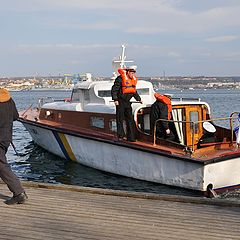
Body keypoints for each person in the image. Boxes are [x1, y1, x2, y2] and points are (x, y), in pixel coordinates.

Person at [0, 88, 28, 205]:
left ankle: (19, 193)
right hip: (6, 138)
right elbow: (15, 116)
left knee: (1, 166)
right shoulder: (9, 99)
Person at [111, 66, 142, 142]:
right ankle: (121, 135)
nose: (133, 74)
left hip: (127, 102)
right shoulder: (120, 78)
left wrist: (139, 99)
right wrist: (115, 99)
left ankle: (131, 137)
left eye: (134, 73)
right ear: (127, 72)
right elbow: (114, 89)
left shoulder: (132, 80)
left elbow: (134, 91)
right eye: (131, 72)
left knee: (130, 119)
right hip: (120, 101)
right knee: (120, 119)